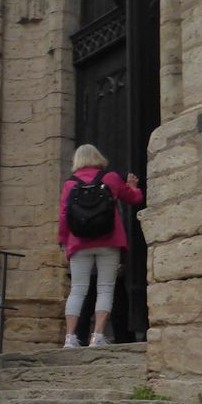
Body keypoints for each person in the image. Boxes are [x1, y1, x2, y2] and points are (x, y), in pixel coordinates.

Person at [58, 144, 143, 347]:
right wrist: (133, 186)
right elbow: (135, 198)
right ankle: (97, 336)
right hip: (108, 241)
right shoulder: (111, 178)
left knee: (77, 289)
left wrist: (63, 242)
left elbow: (63, 216)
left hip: (79, 243)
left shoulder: (70, 184)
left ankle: (70, 338)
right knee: (106, 288)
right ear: (98, 158)